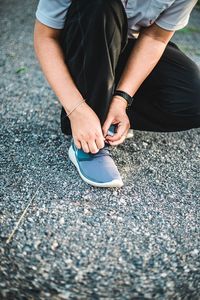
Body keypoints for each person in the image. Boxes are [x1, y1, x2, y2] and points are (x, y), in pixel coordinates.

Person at [34, 0, 200, 188]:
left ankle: (107, 116)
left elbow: (155, 37)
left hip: (126, 46)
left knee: (193, 100)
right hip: (81, 43)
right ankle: (89, 144)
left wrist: (122, 98)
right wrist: (76, 109)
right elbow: (45, 37)